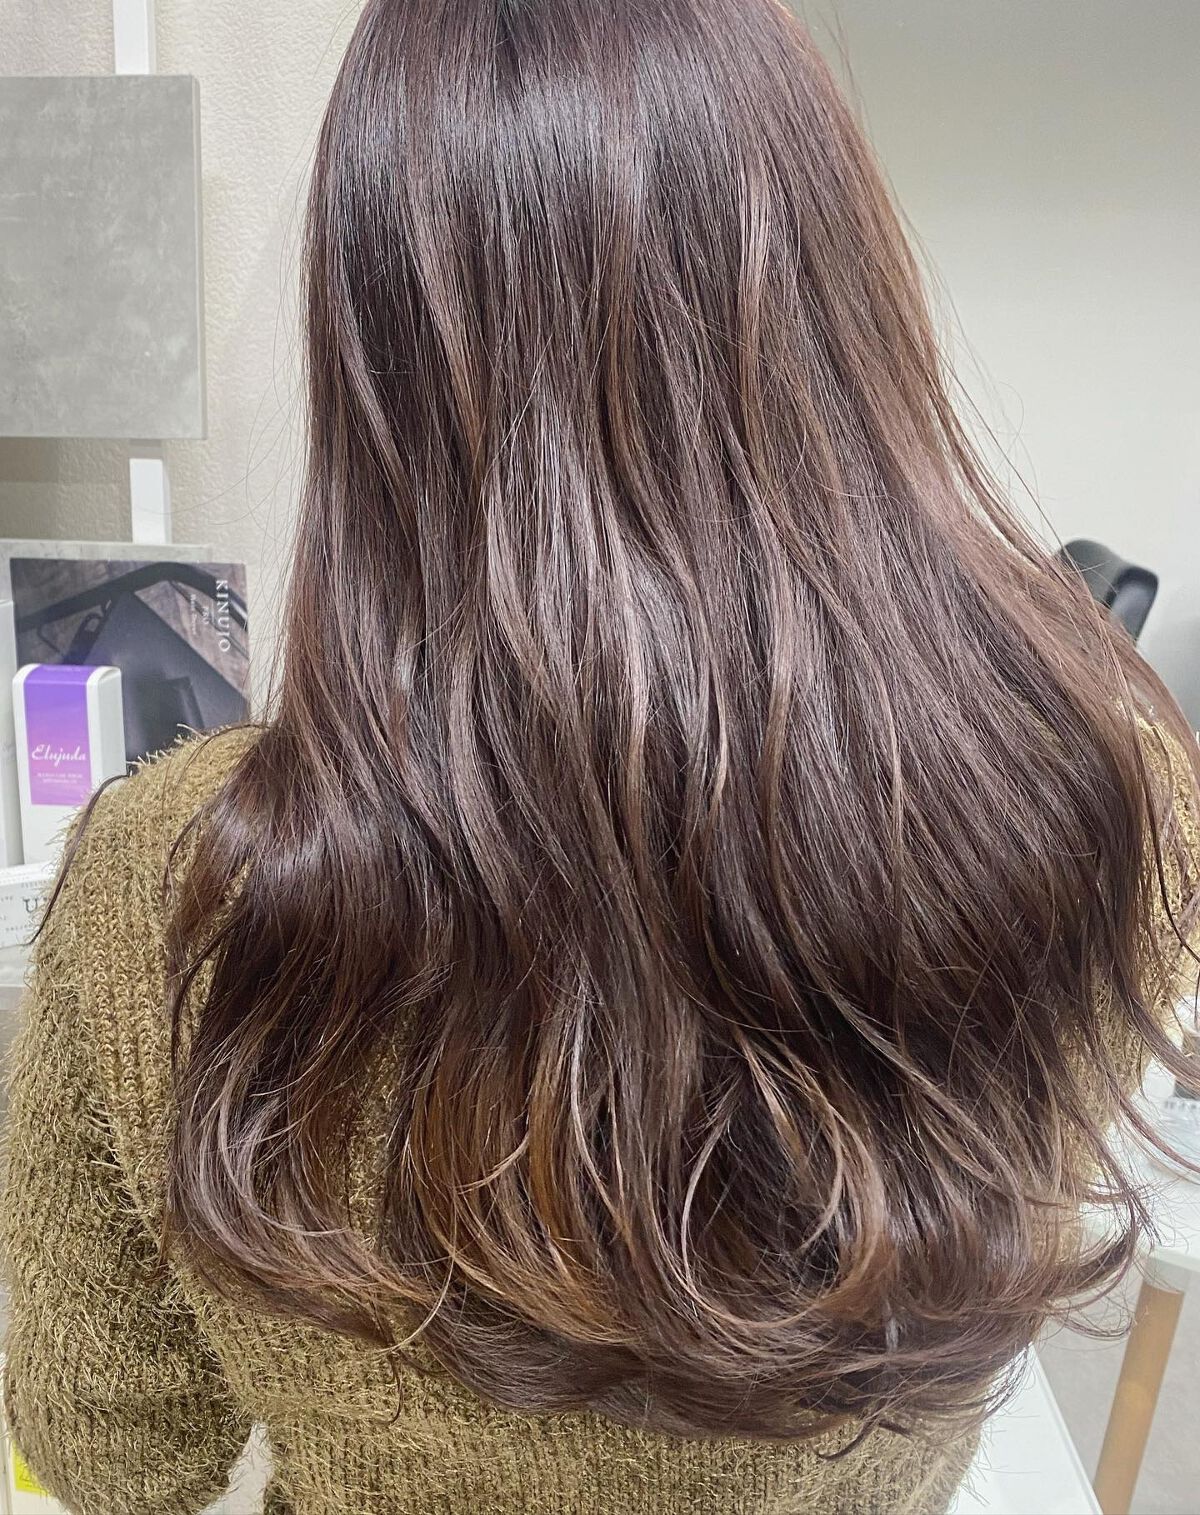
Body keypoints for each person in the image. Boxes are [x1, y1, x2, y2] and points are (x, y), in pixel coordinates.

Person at [3, 1, 1199, 1511]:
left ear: (373, 345)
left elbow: (111, 1448)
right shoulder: (1108, 804)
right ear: (837, 284)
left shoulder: (170, 886)